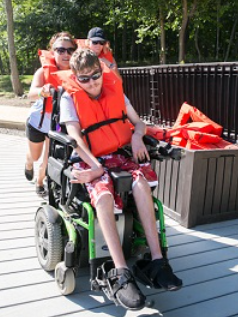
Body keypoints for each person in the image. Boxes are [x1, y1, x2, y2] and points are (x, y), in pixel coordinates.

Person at [57, 49, 182, 311]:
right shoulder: (69, 98)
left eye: (95, 75)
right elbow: (75, 138)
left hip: (117, 154)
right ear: (76, 78)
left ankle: (158, 260)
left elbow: (137, 123)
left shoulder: (115, 90)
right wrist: (95, 167)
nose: (92, 82)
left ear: (102, 72)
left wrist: (137, 136)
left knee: (139, 183)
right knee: (102, 195)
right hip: (88, 157)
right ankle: (121, 271)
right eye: (84, 78)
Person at [25, 32, 77, 196]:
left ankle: (40, 183)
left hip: (56, 125)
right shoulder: (42, 72)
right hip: (38, 122)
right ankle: (28, 163)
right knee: (36, 156)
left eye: (70, 50)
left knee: (49, 158)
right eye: (60, 50)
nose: (65, 54)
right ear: (53, 52)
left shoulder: (78, 73)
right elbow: (31, 93)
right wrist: (43, 91)